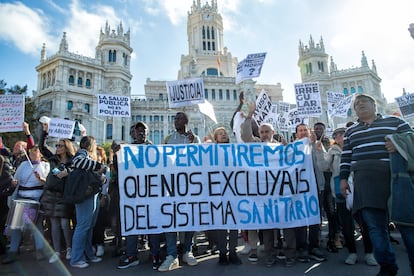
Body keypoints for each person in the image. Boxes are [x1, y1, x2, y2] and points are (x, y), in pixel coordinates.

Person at [339, 94, 413, 276]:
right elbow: (346, 156)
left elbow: (411, 139)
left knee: (407, 226)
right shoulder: (350, 132)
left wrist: (398, 144)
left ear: (374, 105)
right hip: (365, 183)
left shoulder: (396, 122)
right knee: (375, 229)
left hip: (396, 179)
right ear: (354, 110)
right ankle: (387, 268)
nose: (360, 104)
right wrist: (343, 179)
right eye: (357, 104)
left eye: (364, 101)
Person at [315, 127, 376, 266]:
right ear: (334, 138)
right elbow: (324, 166)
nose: (341, 137)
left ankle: (369, 253)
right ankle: (352, 253)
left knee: (365, 222)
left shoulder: (358, 147)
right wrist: (319, 151)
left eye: (344, 134)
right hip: (341, 190)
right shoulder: (333, 151)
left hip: (360, 188)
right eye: (338, 135)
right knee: (347, 223)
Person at [240, 101, 289, 267]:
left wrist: (289, 150)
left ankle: (276, 247)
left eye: (267, 131)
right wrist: (249, 115)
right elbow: (246, 136)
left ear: (273, 132)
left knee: (276, 220)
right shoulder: (255, 145)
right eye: (261, 132)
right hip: (257, 190)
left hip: (275, 190)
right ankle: (256, 249)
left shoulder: (279, 147)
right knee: (257, 219)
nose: (264, 134)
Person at [158, 112, 200, 272]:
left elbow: (201, 160)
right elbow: (159, 158)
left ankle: (187, 250)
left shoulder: (194, 139)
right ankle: (171, 254)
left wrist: (193, 144)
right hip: (170, 185)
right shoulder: (168, 139)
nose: (176, 121)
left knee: (189, 218)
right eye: (175, 118)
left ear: (186, 121)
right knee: (170, 218)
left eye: (179, 118)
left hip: (188, 185)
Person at [2, 145, 50, 264]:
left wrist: (40, 179)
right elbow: (16, 179)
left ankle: (39, 250)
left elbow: (48, 183)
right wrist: (14, 183)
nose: (33, 154)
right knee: (17, 226)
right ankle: (13, 251)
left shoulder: (45, 166)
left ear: (40, 153)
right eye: (31, 152)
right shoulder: (23, 165)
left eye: (35, 151)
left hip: (36, 199)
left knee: (36, 226)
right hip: (22, 198)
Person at [115, 122, 154, 269]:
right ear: (133, 134)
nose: (141, 133)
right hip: (133, 193)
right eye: (138, 131)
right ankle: (131, 254)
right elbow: (120, 170)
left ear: (148, 133)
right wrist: (115, 155)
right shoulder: (127, 150)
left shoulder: (153, 149)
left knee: (152, 222)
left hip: (150, 192)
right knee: (133, 222)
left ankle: (154, 252)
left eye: (144, 131)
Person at [38, 131, 76, 264]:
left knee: (65, 223)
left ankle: (70, 248)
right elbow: (42, 148)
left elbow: (77, 172)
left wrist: (68, 173)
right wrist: (44, 132)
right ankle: (57, 251)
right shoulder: (53, 159)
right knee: (54, 224)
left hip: (64, 196)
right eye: (57, 145)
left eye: (60, 145)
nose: (58, 147)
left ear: (66, 148)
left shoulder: (72, 161)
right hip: (51, 195)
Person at [70, 136, 106, 268]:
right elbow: (78, 162)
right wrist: (98, 166)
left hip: (92, 194)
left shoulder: (88, 156)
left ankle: (88, 254)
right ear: (89, 145)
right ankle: (76, 258)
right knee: (83, 226)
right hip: (85, 195)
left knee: (89, 226)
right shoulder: (81, 154)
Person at [210, 127, 242, 266]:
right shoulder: (210, 152)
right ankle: (223, 253)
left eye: (224, 133)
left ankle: (233, 252)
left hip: (233, 189)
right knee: (221, 223)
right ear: (215, 138)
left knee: (234, 222)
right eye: (220, 134)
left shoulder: (234, 150)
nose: (223, 135)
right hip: (218, 191)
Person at [92, 146, 110, 258]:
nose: (97, 156)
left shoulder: (105, 169)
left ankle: (100, 244)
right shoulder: (90, 167)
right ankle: (93, 243)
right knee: (92, 223)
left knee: (99, 222)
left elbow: (106, 183)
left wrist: (103, 195)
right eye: (95, 153)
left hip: (101, 196)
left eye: (99, 154)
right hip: (91, 197)